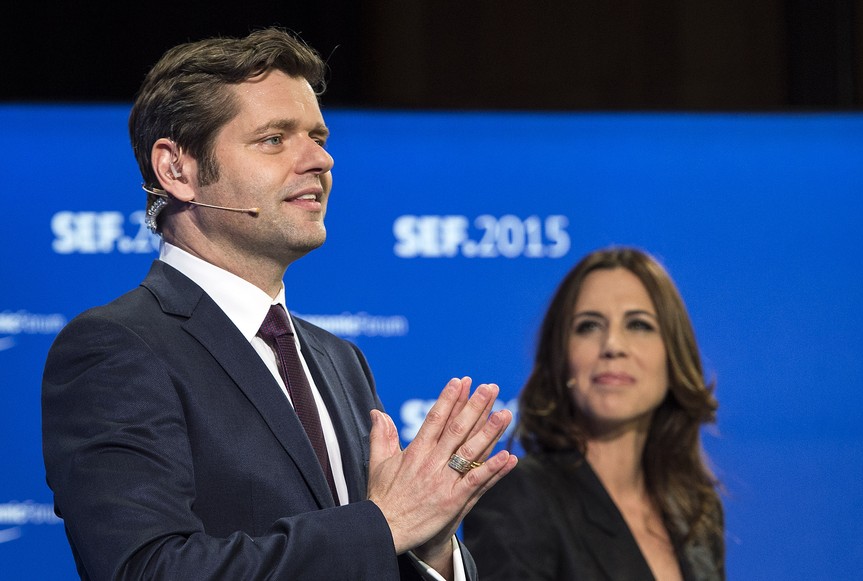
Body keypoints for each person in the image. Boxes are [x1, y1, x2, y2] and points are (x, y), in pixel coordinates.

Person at [42, 27, 517, 581]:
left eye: (318, 136)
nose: (319, 158)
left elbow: (372, 551)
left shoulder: (339, 359)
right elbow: (148, 569)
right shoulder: (117, 347)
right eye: (274, 139)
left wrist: (429, 546)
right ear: (178, 170)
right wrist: (386, 524)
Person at [463, 247, 724, 580]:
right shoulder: (521, 497)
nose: (613, 345)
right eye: (588, 326)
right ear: (561, 358)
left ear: (673, 356)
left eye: (639, 325)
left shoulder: (697, 512)